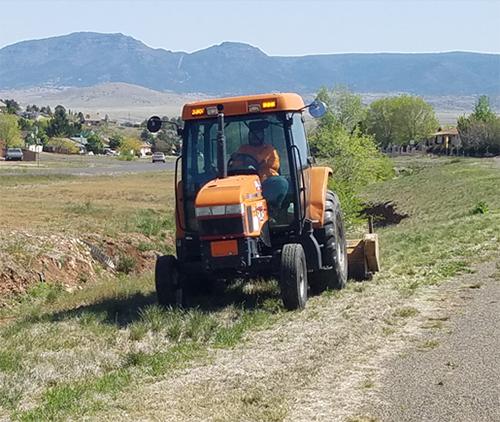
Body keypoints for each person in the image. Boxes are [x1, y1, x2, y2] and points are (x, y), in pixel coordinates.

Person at [230, 121, 289, 211]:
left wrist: (251, 161)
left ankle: (272, 209)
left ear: (263, 135)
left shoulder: (269, 149)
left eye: (258, 134)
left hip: (266, 183)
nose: (255, 137)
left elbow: (269, 163)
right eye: (252, 134)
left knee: (281, 182)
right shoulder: (243, 149)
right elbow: (236, 165)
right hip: (245, 183)